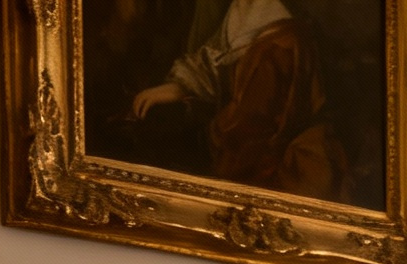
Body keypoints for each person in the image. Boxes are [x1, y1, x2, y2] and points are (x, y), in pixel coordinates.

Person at [131, 0, 344, 198]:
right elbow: (217, 62)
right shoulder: (243, 11)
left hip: (273, 172)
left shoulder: (280, 43)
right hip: (238, 148)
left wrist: (191, 132)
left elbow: (248, 128)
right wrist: (177, 87)